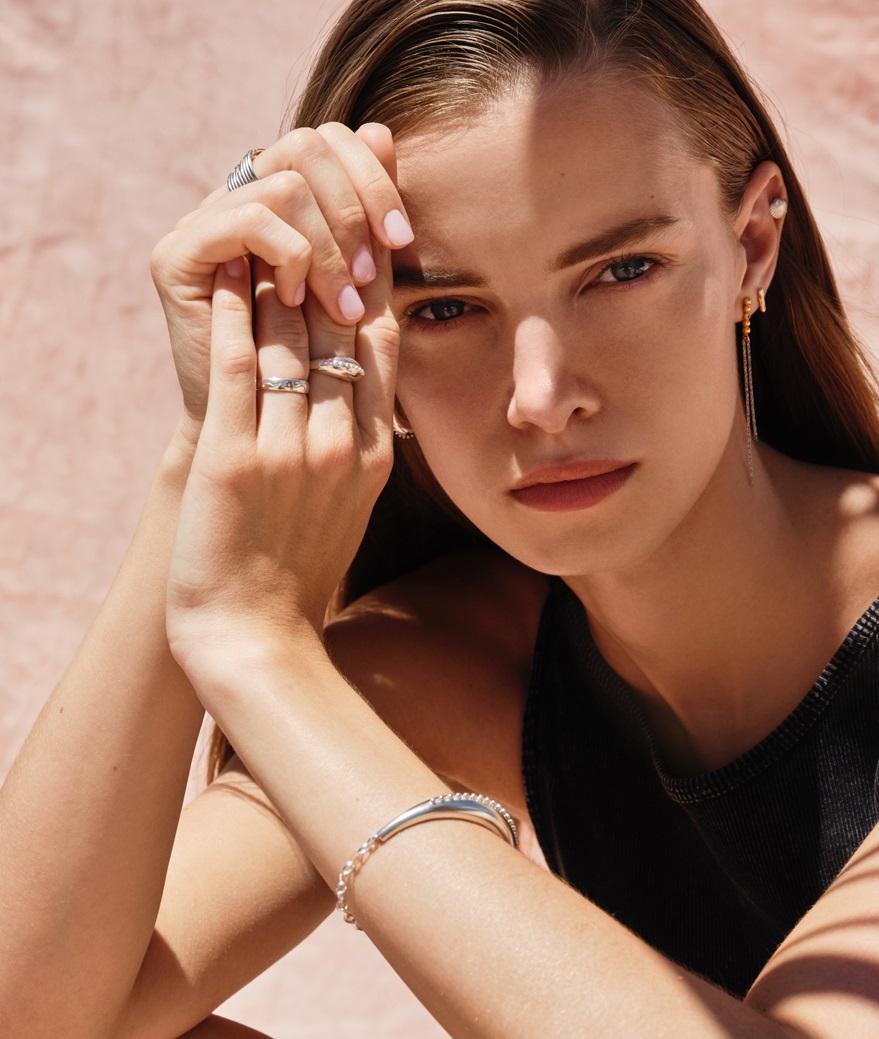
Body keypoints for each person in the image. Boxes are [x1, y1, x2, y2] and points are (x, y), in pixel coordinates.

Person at [1, 0, 877, 1036]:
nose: (541, 398)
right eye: (445, 308)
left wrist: (255, 650)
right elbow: (35, 1013)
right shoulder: (463, 657)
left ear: (754, 244)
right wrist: (214, 434)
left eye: (620, 270)